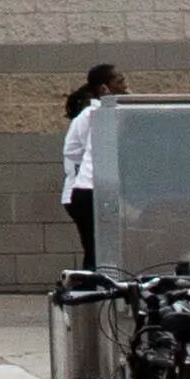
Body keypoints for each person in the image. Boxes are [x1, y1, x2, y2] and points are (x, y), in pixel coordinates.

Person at [58, 62, 126, 268]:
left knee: (96, 250)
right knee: (96, 250)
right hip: (88, 189)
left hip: (87, 189)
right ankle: (87, 290)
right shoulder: (97, 115)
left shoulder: (101, 114)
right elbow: (77, 154)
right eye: (120, 82)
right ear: (104, 88)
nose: (125, 86)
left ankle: (89, 287)